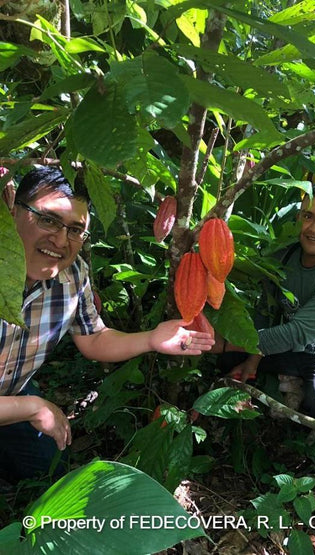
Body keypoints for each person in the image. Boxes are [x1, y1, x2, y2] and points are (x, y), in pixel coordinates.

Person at [0, 166, 214, 482]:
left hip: (11, 392)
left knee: (48, 472)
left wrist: (153, 338)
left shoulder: (73, 276)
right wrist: (33, 408)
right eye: (48, 219)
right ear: (14, 211)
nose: (60, 240)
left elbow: (95, 338)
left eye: (75, 229)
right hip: (19, 401)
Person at [217, 182, 315, 427]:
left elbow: (298, 332)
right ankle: (291, 378)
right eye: (308, 216)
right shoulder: (284, 257)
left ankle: (305, 393)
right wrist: (252, 358)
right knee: (228, 360)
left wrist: (227, 343)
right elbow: (266, 310)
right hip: (293, 349)